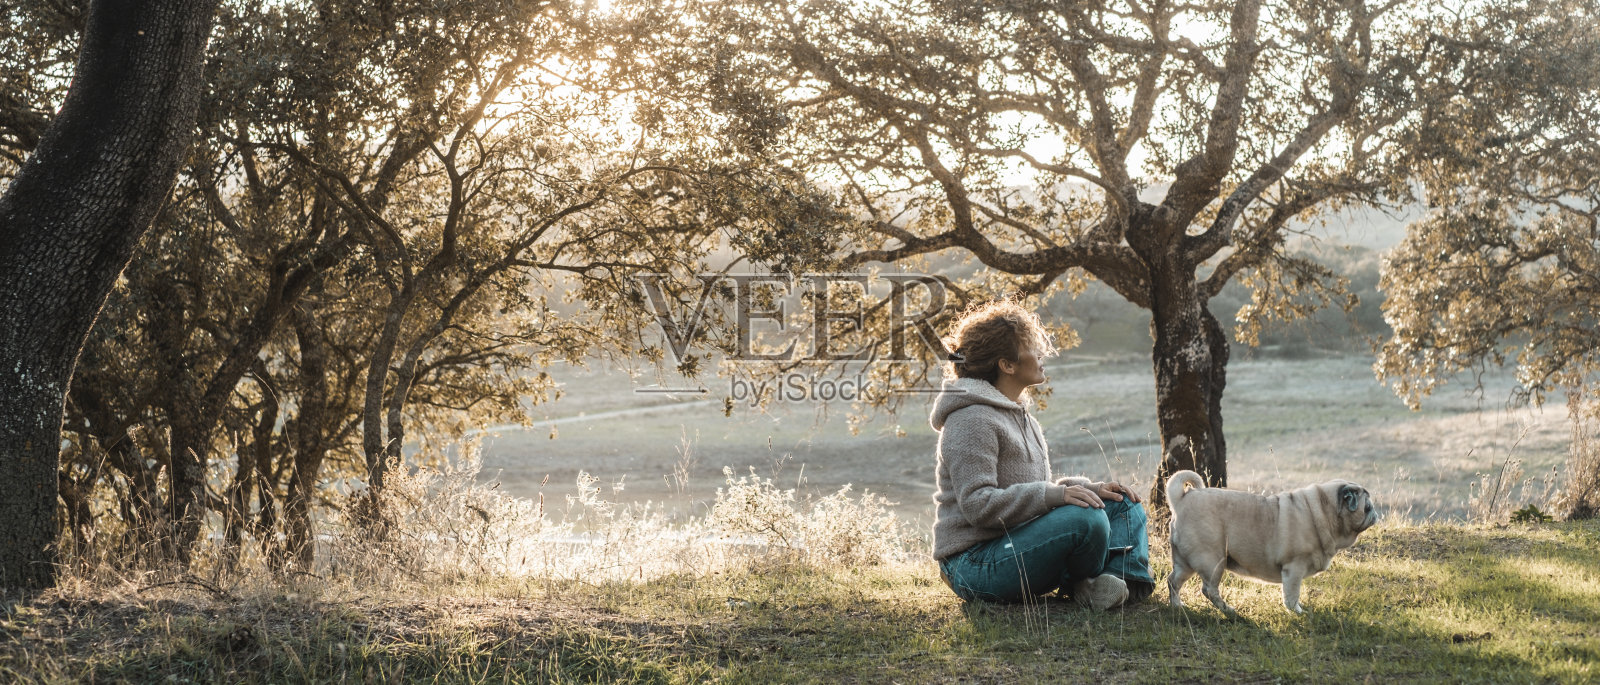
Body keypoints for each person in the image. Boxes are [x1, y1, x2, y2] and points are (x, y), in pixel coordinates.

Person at [931, 300, 1153, 608]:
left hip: (1018, 546)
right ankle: (1090, 585)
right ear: (1007, 364)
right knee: (1085, 520)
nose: (1041, 355)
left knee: (1123, 504)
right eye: (1032, 348)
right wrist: (1056, 496)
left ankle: (1113, 586)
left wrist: (1088, 489)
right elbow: (978, 505)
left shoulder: (1021, 416)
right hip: (975, 564)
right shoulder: (971, 419)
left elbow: (1033, 496)